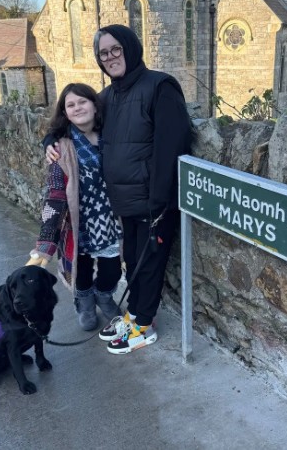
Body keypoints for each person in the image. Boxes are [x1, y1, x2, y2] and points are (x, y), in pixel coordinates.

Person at [46, 25, 192, 354]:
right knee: (133, 261)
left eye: (116, 49)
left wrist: (159, 201)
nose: (110, 57)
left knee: (150, 264)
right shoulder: (108, 98)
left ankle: (144, 325)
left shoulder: (160, 86)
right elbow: (71, 121)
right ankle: (134, 315)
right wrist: (50, 141)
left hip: (156, 203)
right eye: (103, 53)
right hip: (125, 203)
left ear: (130, 47)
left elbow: (172, 145)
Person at [28, 83, 123, 332]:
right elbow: (55, 195)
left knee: (112, 270)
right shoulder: (61, 148)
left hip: (109, 220)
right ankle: (85, 304)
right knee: (81, 270)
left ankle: (104, 296)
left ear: (94, 105)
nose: (77, 108)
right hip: (76, 221)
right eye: (71, 105)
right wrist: (45, 242)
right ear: (65, 113)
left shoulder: (111, 136)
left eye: (82, 102)